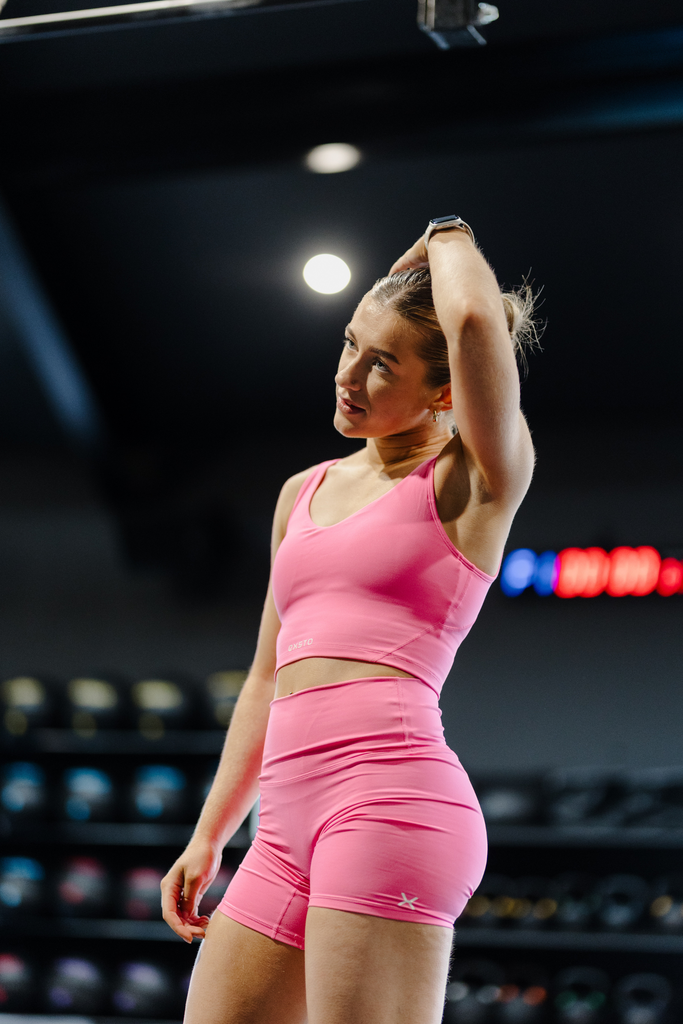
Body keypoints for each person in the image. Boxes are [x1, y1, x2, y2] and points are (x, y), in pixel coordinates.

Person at [161, 216, 537, 1024]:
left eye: (381, 364)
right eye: (347, 346)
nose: (347, 375)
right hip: (284, 825)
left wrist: (446, 236)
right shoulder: (301, 492)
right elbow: (268, 675)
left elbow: (471, 320)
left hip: (391, 805)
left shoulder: (471, 481)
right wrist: (210, 832)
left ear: (443, 392)